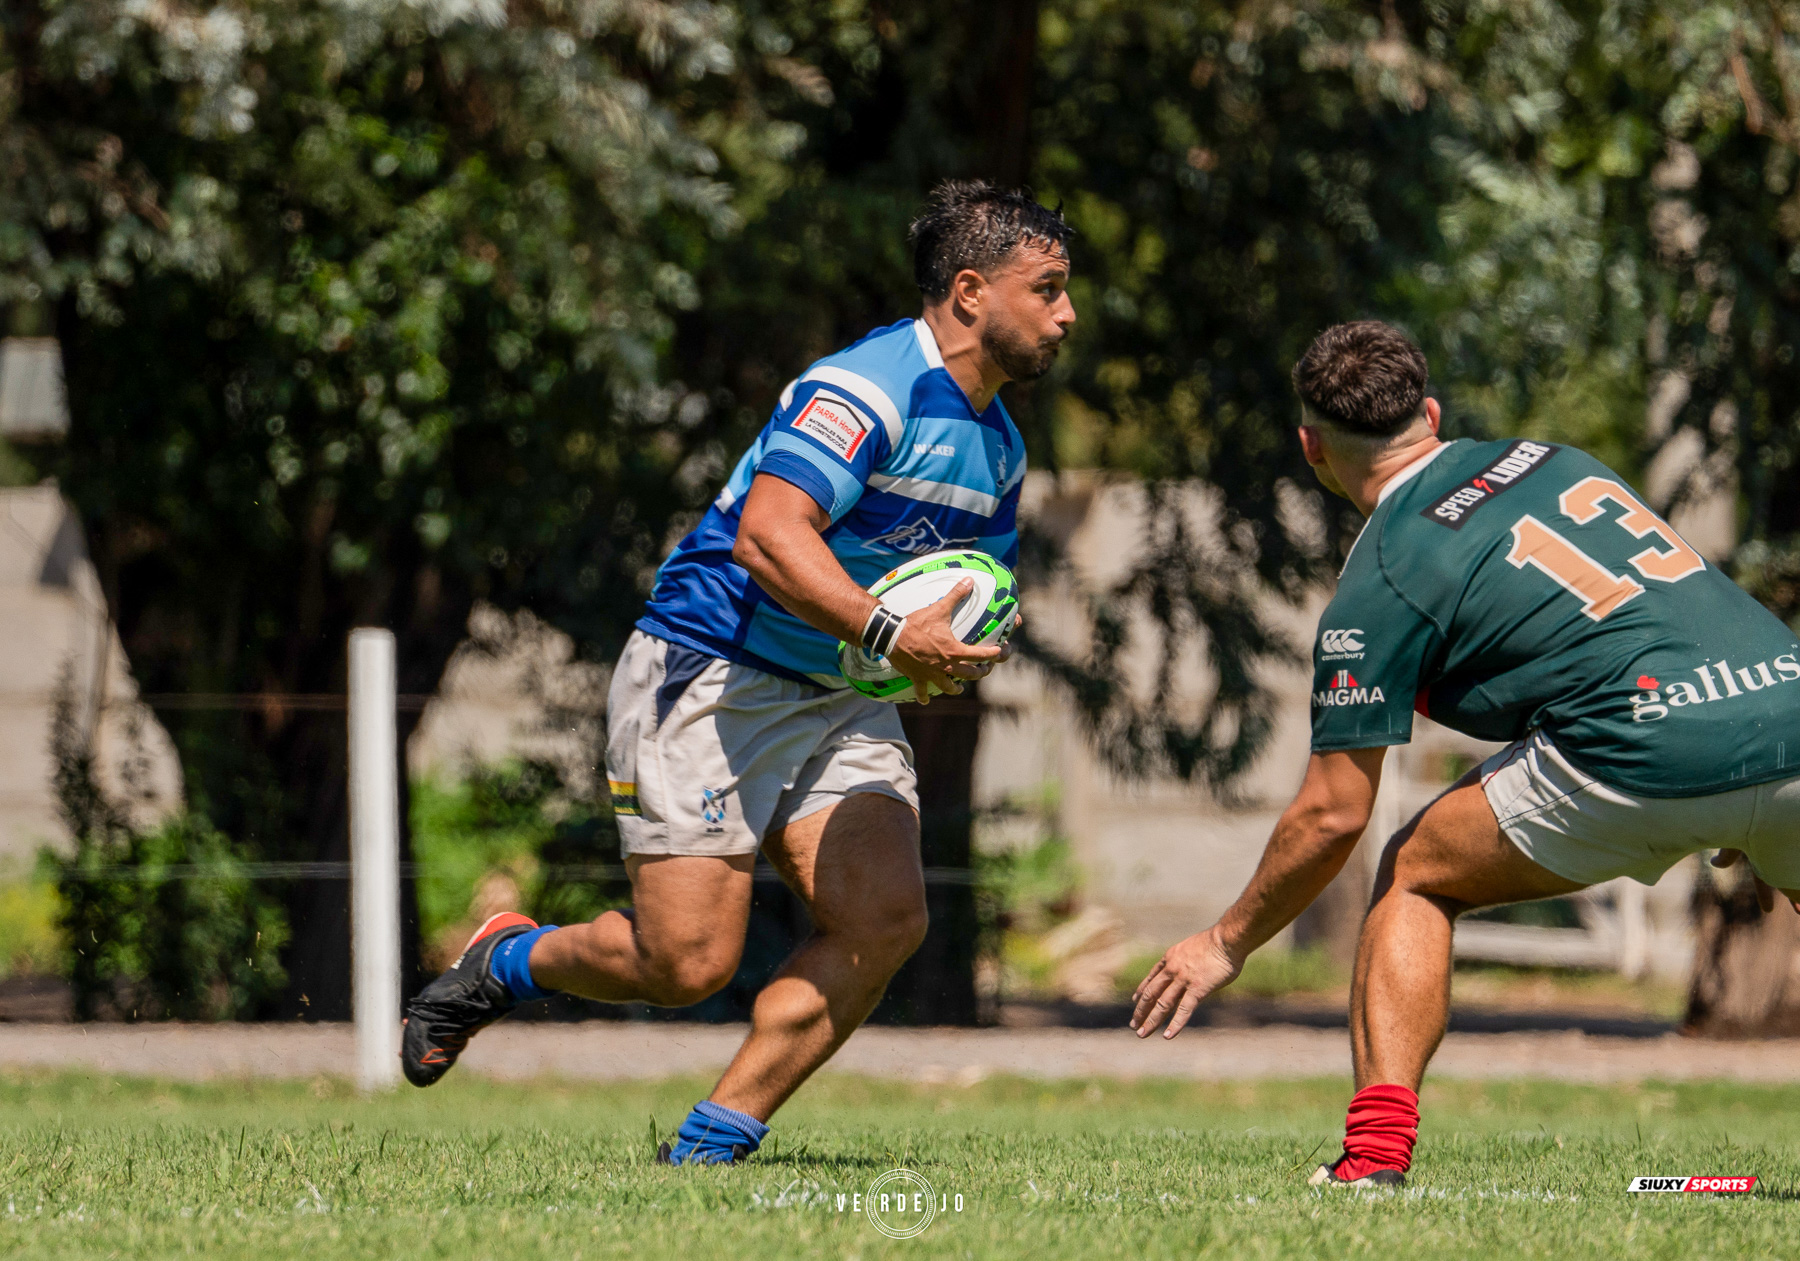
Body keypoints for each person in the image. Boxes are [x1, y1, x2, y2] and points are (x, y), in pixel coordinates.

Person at [401, 180, 1076, 1165]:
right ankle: (506, 960)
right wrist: (894, 636)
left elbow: (970, 589)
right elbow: (768, 536)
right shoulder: (867, 392)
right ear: (970, 292)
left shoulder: (1000, 447)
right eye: (1048, 288)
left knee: (885, 917)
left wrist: (955, 653)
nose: (1067, 314)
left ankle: (713, 1142)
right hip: (711, 672)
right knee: (685, 964)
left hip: (840, 693)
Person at [1128, 320, 1800, 1187]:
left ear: (1311, 448)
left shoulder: (1382, 581)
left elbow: (1333, 815)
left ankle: (1372, 1161)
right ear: (1432, 413)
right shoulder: (1553, 458)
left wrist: (1225, 941)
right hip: (1785, 707)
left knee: (1415, 871)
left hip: (1639, 746)